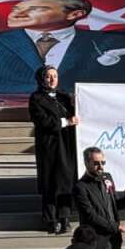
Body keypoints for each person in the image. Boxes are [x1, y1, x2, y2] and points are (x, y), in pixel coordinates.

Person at [29, 65, 78, 235]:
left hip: (66, 145)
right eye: (48, 76)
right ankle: (51, 220)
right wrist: (66, 122)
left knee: (65, 182)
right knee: (51, 184)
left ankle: (64, 218)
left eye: (55, 76)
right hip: (49, 146)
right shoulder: (36, 98)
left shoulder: (64, 97)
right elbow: (43, 121)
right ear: (41, 78)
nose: (52, 80)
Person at [73, 147, 125, 249]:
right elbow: (90, 216)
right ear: (87, 163)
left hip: (114, 239)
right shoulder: (80, 187)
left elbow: (114, 203)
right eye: (96, 163)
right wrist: (117, 226)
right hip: (95, 241)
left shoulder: (107, 178)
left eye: (103, 163)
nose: (100, 166)